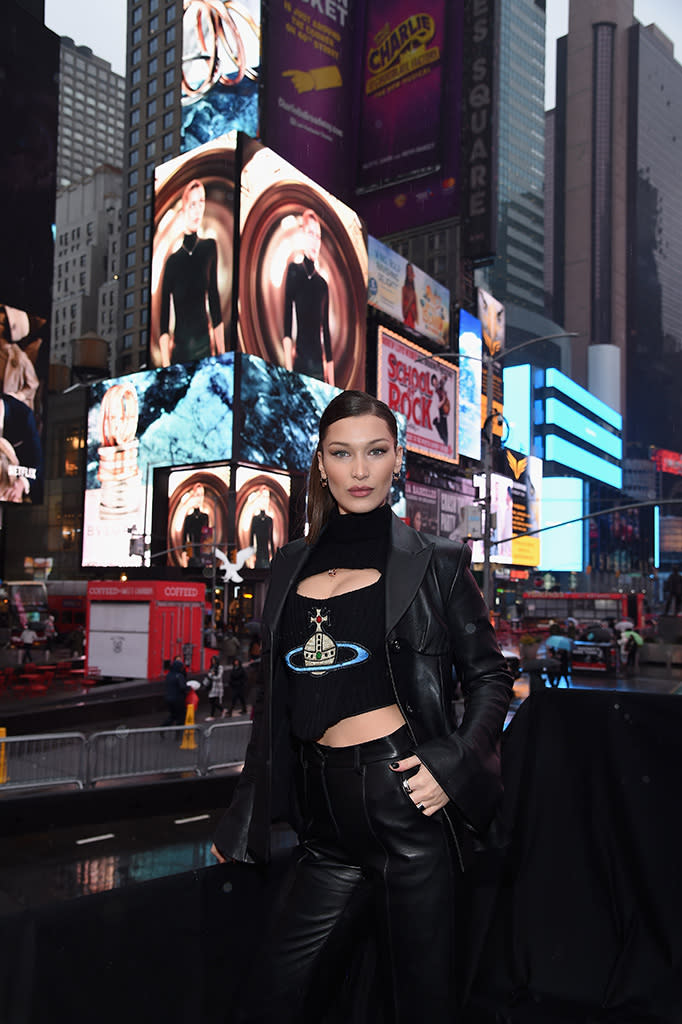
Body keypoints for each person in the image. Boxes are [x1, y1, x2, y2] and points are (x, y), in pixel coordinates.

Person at [211, 389, 513, 1023]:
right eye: (342, 454)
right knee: (269, 999)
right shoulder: (290, 564)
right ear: (321, 464)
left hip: (405, 807)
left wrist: (452, 763)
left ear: (397, 459)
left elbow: (490, 678)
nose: (359, 470)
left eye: (375, 452)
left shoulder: (439, 563)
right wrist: (243, 815)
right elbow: (274, 700)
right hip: (321, 827)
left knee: (419, 1008)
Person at [158, 179, 224, 366]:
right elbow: (163, 317)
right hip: (179, 352)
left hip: (205, 347)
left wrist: (222, 354)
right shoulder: (172, 262)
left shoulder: (209, 247)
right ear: (184, 209)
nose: (197, 210)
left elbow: (214, 299)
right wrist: (165, 366)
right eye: (193, 204)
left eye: (201, 202)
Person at [282, 209, 334, 385]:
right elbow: (287, 324)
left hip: (319, 370)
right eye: (310, 233)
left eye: (318, 236)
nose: (314, 240)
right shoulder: (294, 270)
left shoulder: (322, 284)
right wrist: (288, 371)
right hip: (299, 365)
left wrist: (333, 387)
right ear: (302, 235)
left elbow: (326, 333)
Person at [162, 658, 187, 731]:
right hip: (178, 699)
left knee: (173, 716)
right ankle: (179, 733)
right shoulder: (179, 676)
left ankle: (162, 728)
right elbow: (182, 687)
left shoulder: (169, 675)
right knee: (181, 716)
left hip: (168, 698)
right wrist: (189, 687)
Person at [205, 654, 224, 720]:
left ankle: (217, 713)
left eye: (214, 660)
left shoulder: (220, 667)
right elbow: (209, 674)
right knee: (212, 700)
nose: (213, 661)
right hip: (211, 686)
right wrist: (211, 675)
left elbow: (219, 677)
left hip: (217, 687)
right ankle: (221, 711)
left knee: (214, 701)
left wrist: (212, 676)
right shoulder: (212, 667)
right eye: (212, 660)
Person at [401, 262, 418, 329]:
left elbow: (416, 318)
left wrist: (410, 305)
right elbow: (404, 314)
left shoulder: (414, 293)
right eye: (408, 271)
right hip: (405, 326)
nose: (410, 273)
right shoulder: (404, 289)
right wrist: (410, 302)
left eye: (411, 271)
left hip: (413, 328)